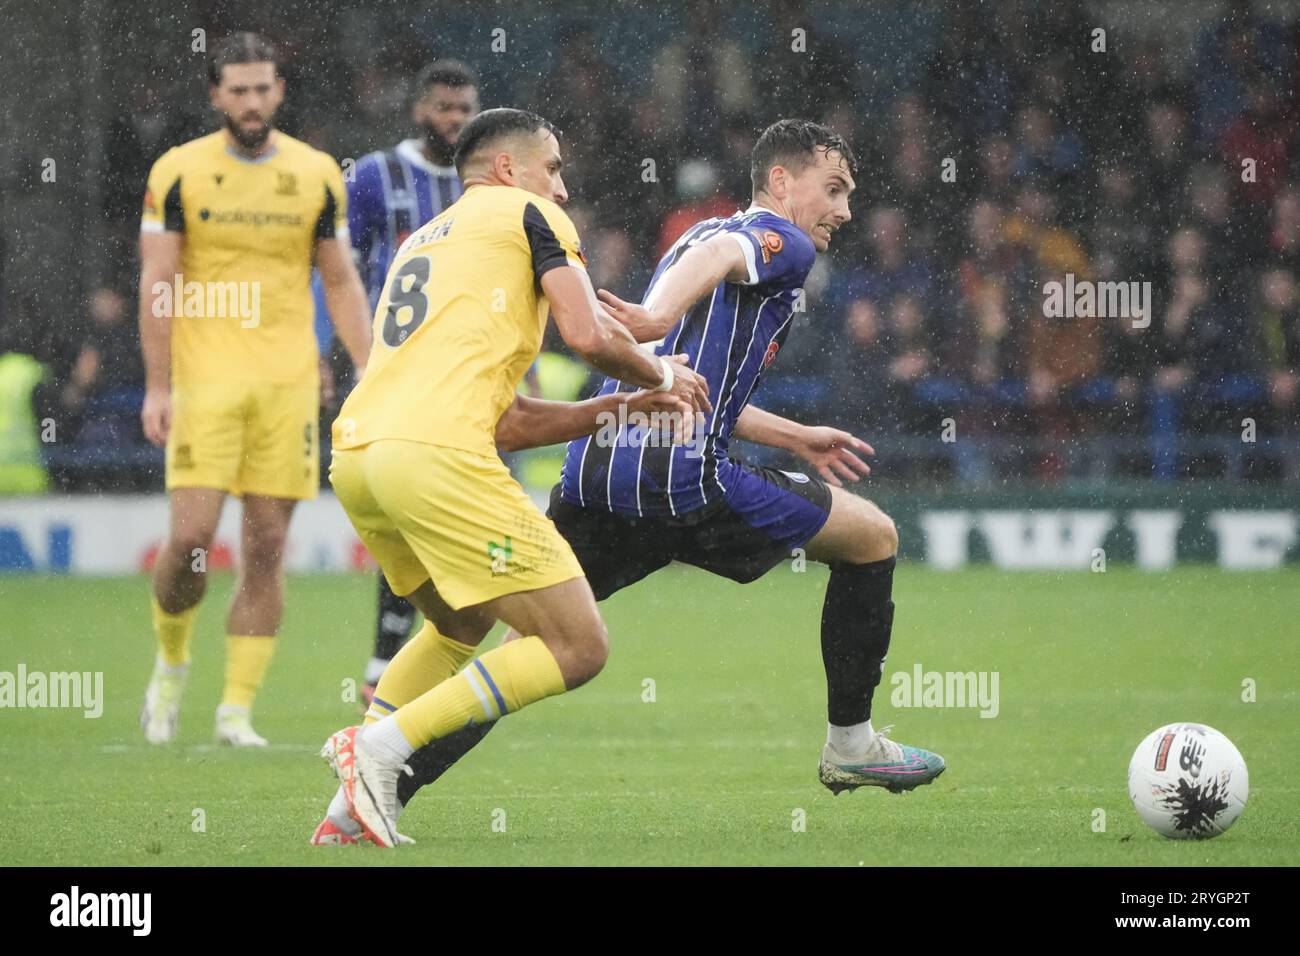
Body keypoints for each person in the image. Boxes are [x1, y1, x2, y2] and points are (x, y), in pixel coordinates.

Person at [318, 119, 945, 845]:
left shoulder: (689, 235)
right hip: (681, 481)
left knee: (523, 645)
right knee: (872, 537)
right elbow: (689, 297)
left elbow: (685, 382)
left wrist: (790, 434)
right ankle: (852, 744)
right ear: (780, 181)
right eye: (833, 189)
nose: (844, 209)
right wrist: (655, 316)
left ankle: (368, 798)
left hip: (597, 473)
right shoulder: (778, 240)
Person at [316, 108, 711, 847]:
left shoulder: (425, 243)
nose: (561, 189)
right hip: (437, 457)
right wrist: (661, 373)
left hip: (363, 458)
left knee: (458, 624)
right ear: (508, 169)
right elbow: (587, 334)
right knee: (579, 647)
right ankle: (380, 746)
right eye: (553, 168)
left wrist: (623, 407)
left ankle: (353, 806)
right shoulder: (530, 216)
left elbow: (509, 421)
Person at [137, 32, 372, 746]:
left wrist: (368, 368)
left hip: (287, 385)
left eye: (262, 88)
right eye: (237, 90)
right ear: (216, 94)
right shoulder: (178, 171)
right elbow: (158, 280)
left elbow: (339, 279)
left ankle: (235, 712)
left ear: (279, 92)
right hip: (205, 383)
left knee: (267, 545)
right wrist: (157, 387)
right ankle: (171, 661)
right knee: (191, 542)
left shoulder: (316, 173)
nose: (251, 101)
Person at [332, 58, 481, 703]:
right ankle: (390, 660)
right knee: (407, 511)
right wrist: (341, 353)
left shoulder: (485, 181)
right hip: (393, 374)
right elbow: (336, 269)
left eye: (465, 109)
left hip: (469, 376)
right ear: (419, 109)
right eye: (443, 107)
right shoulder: (373, 176)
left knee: (455, 516)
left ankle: (408, 661)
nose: (454, 120)